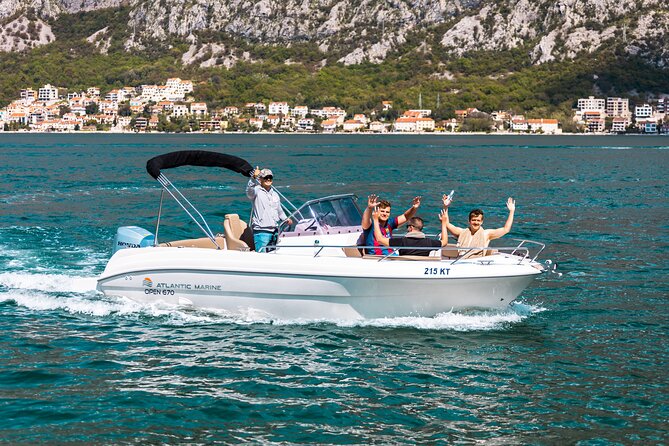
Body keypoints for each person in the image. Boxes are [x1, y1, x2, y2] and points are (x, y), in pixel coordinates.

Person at [442, 195, 516, 256]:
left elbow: (506, 229)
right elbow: (447, 223)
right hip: (459, 262)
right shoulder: (462, 232)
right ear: (469, 221)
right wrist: (445, 206)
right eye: (474, 220)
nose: (476, 222)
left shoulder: (486, 234)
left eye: (478, 220)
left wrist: (512, 211)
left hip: (476, 264)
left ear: (481, 222)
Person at [246, 167, 293, 252]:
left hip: (275, 231)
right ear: (260, 179)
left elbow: (279, 210)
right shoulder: (256, 191)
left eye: (270, 177)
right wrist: (253, 178)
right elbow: (249, 192)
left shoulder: (275, 194)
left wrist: (286, 219)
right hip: (262, 231)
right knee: (262, 257)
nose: (268, 179)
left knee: (273, 256)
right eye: (265, 177)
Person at [372, 212, 450, 256]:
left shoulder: (402, 241)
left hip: (405, 269)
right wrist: (443, 223)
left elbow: (379, 239)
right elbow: (445, 241)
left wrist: (375, 220)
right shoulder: (429, 242)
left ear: (411, 228)